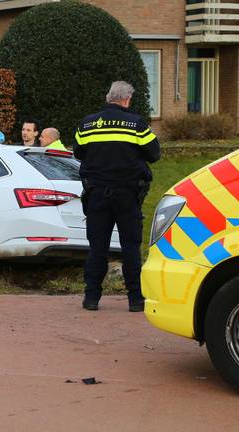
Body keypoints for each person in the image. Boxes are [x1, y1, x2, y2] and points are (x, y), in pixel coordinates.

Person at [74, 81, 160, 312]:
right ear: (127, 99)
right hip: (127, 194)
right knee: (130, 246)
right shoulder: (136, 124)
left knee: (97, 247)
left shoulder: (87, 124)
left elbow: (78, 152)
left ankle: (91, 298)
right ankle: (135, 299)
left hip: (97, 194)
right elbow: (154, 154)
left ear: (108, 97)